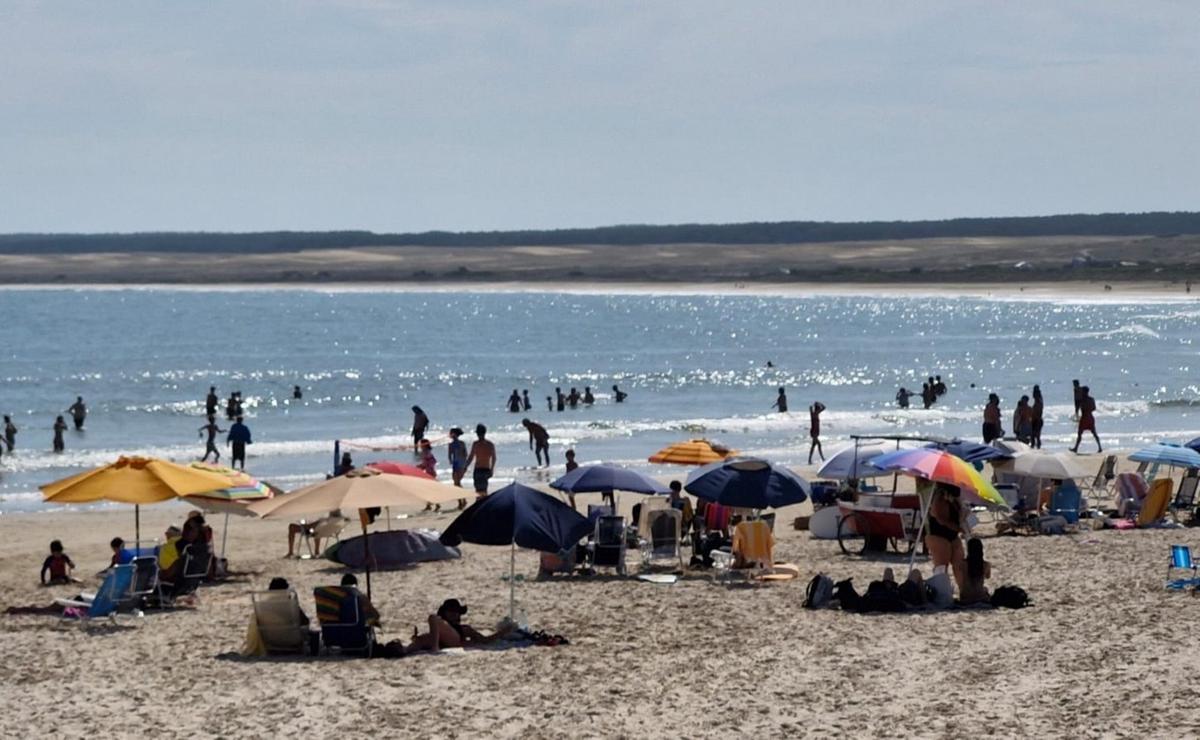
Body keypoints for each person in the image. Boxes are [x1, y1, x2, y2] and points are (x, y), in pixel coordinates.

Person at [405, 598, 513, 654]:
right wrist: (416, 638)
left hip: (453, 639)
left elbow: (485, 640)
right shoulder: (443, 627)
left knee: (433, 618)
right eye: (452, 612)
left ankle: (435, 648)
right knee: (421, 640)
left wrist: (503, 632)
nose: (455, 614)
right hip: (443, 640)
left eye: (456, 612)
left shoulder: (464, 629)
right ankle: (401, 651)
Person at [925, 482, 969, 596]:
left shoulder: (955, 498)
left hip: (953, 536)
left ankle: (964, 592)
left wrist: (964, 516)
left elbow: (958, 515)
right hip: (938, 535)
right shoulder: (939, 497)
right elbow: (939, 518)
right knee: (942, 567)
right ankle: (941, 594)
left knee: (959, 565)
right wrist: (957, 528)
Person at [464, 424, 496, 497]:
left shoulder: (476, 444)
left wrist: (465, 466)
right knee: (482, 490)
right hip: (484, 469)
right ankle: (483, 505)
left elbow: (471, 457)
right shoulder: (490, 444)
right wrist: (492, 469)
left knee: (479, 491)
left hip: (479, 469)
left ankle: (481, 505)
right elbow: (494, 458)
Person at [958, 537, 992, 605]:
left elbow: (961, 578)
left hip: (966, 597)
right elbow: (988, 576)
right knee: (985, 589)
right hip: (980, 596)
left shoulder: (963, 564)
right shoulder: (986, 564)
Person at [1071, 386, 1102, 453]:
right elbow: (1094, 408)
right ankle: (1100, 447)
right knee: (1094, 433)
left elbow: (1077, 408)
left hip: (1084, 417)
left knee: (1080, 433)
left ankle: (1076, 448)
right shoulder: (1091, 399)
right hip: (1090, 417)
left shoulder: (1081, 400)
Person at [447, 427, 469, 509]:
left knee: (457, 483)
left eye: (451, 433)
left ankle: (462, 501)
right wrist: (451, 461)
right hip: (456, 465)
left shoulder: (461, 443)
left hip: (460, 465)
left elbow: (465, 454)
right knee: (456, 484)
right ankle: (462, 501)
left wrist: (465, 465)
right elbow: (450, 456)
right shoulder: (451, 444)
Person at [1030, 385, 1045, 450]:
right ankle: (1036, 447)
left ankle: (1036, 448)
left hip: (1037, 420)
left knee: (1035, 436)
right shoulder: (1039, 401)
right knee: (1035, 436)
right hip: (1036, 420)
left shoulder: (1038, 402)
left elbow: (1037, 413)